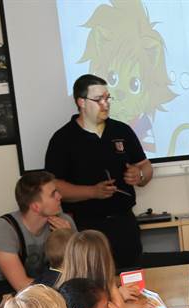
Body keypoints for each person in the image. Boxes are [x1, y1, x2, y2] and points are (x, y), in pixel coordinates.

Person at [44, 74, 152, 268]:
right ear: (81, 102)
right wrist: (92, 192)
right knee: (94, 278)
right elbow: (54, 186)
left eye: (107, 98)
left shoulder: (122, 130)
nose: (105, 104)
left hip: (124, 222)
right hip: (85, 227)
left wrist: (140, 174)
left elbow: (146, 166)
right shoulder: (63, 139)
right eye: (98, 99)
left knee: (132, 276)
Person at [0, 172, 75, 308]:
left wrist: (69, 238)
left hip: (45, 285)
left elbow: (81, 267)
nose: (60, 196)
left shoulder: (64, 222)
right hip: (2, 290)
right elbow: (21, 285)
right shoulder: (5, 228)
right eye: (53, 194)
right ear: (36, 206)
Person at [56, 230, 153, 308]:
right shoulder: (90, 294)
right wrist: (111, 283)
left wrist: (129, 305)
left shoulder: (67, 290)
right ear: (103, 261)